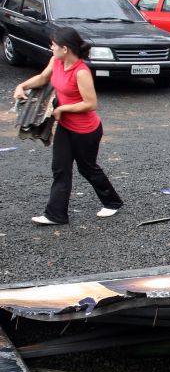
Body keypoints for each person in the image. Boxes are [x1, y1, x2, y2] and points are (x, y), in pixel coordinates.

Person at [13, 27, 123, 226]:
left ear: (65, 48)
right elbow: (43, 78)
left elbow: (91, 103)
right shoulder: (56, 61)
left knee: (87, 168)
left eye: (53, 45)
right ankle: (56, 215)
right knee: (60, 168)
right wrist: (22, 86)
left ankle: (112, 202)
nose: (51, 47)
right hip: (65, 126)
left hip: (86, 130)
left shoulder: (81, 72)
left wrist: (63, 109)